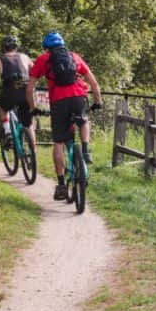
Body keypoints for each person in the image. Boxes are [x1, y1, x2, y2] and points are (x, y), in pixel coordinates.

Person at [25, 31, 102, 200]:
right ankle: (86, 151)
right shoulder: (74, 57)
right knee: (83, 121)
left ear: (46, 48)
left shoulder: (43, 60)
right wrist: (98, 101)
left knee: (58, 143)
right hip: (78, 97)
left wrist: (33, 108)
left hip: (59, 102)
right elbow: (94, 82)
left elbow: (30, 88)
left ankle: (61, 184)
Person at [0, 36, 36, 148]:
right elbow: (35, 73)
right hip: (25, 91)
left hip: (9, 91)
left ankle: (8, 132)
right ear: (16, 47)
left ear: (4, 47)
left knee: (3, 109)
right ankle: (33, 154)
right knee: (29, 124)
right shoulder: (25, 57)